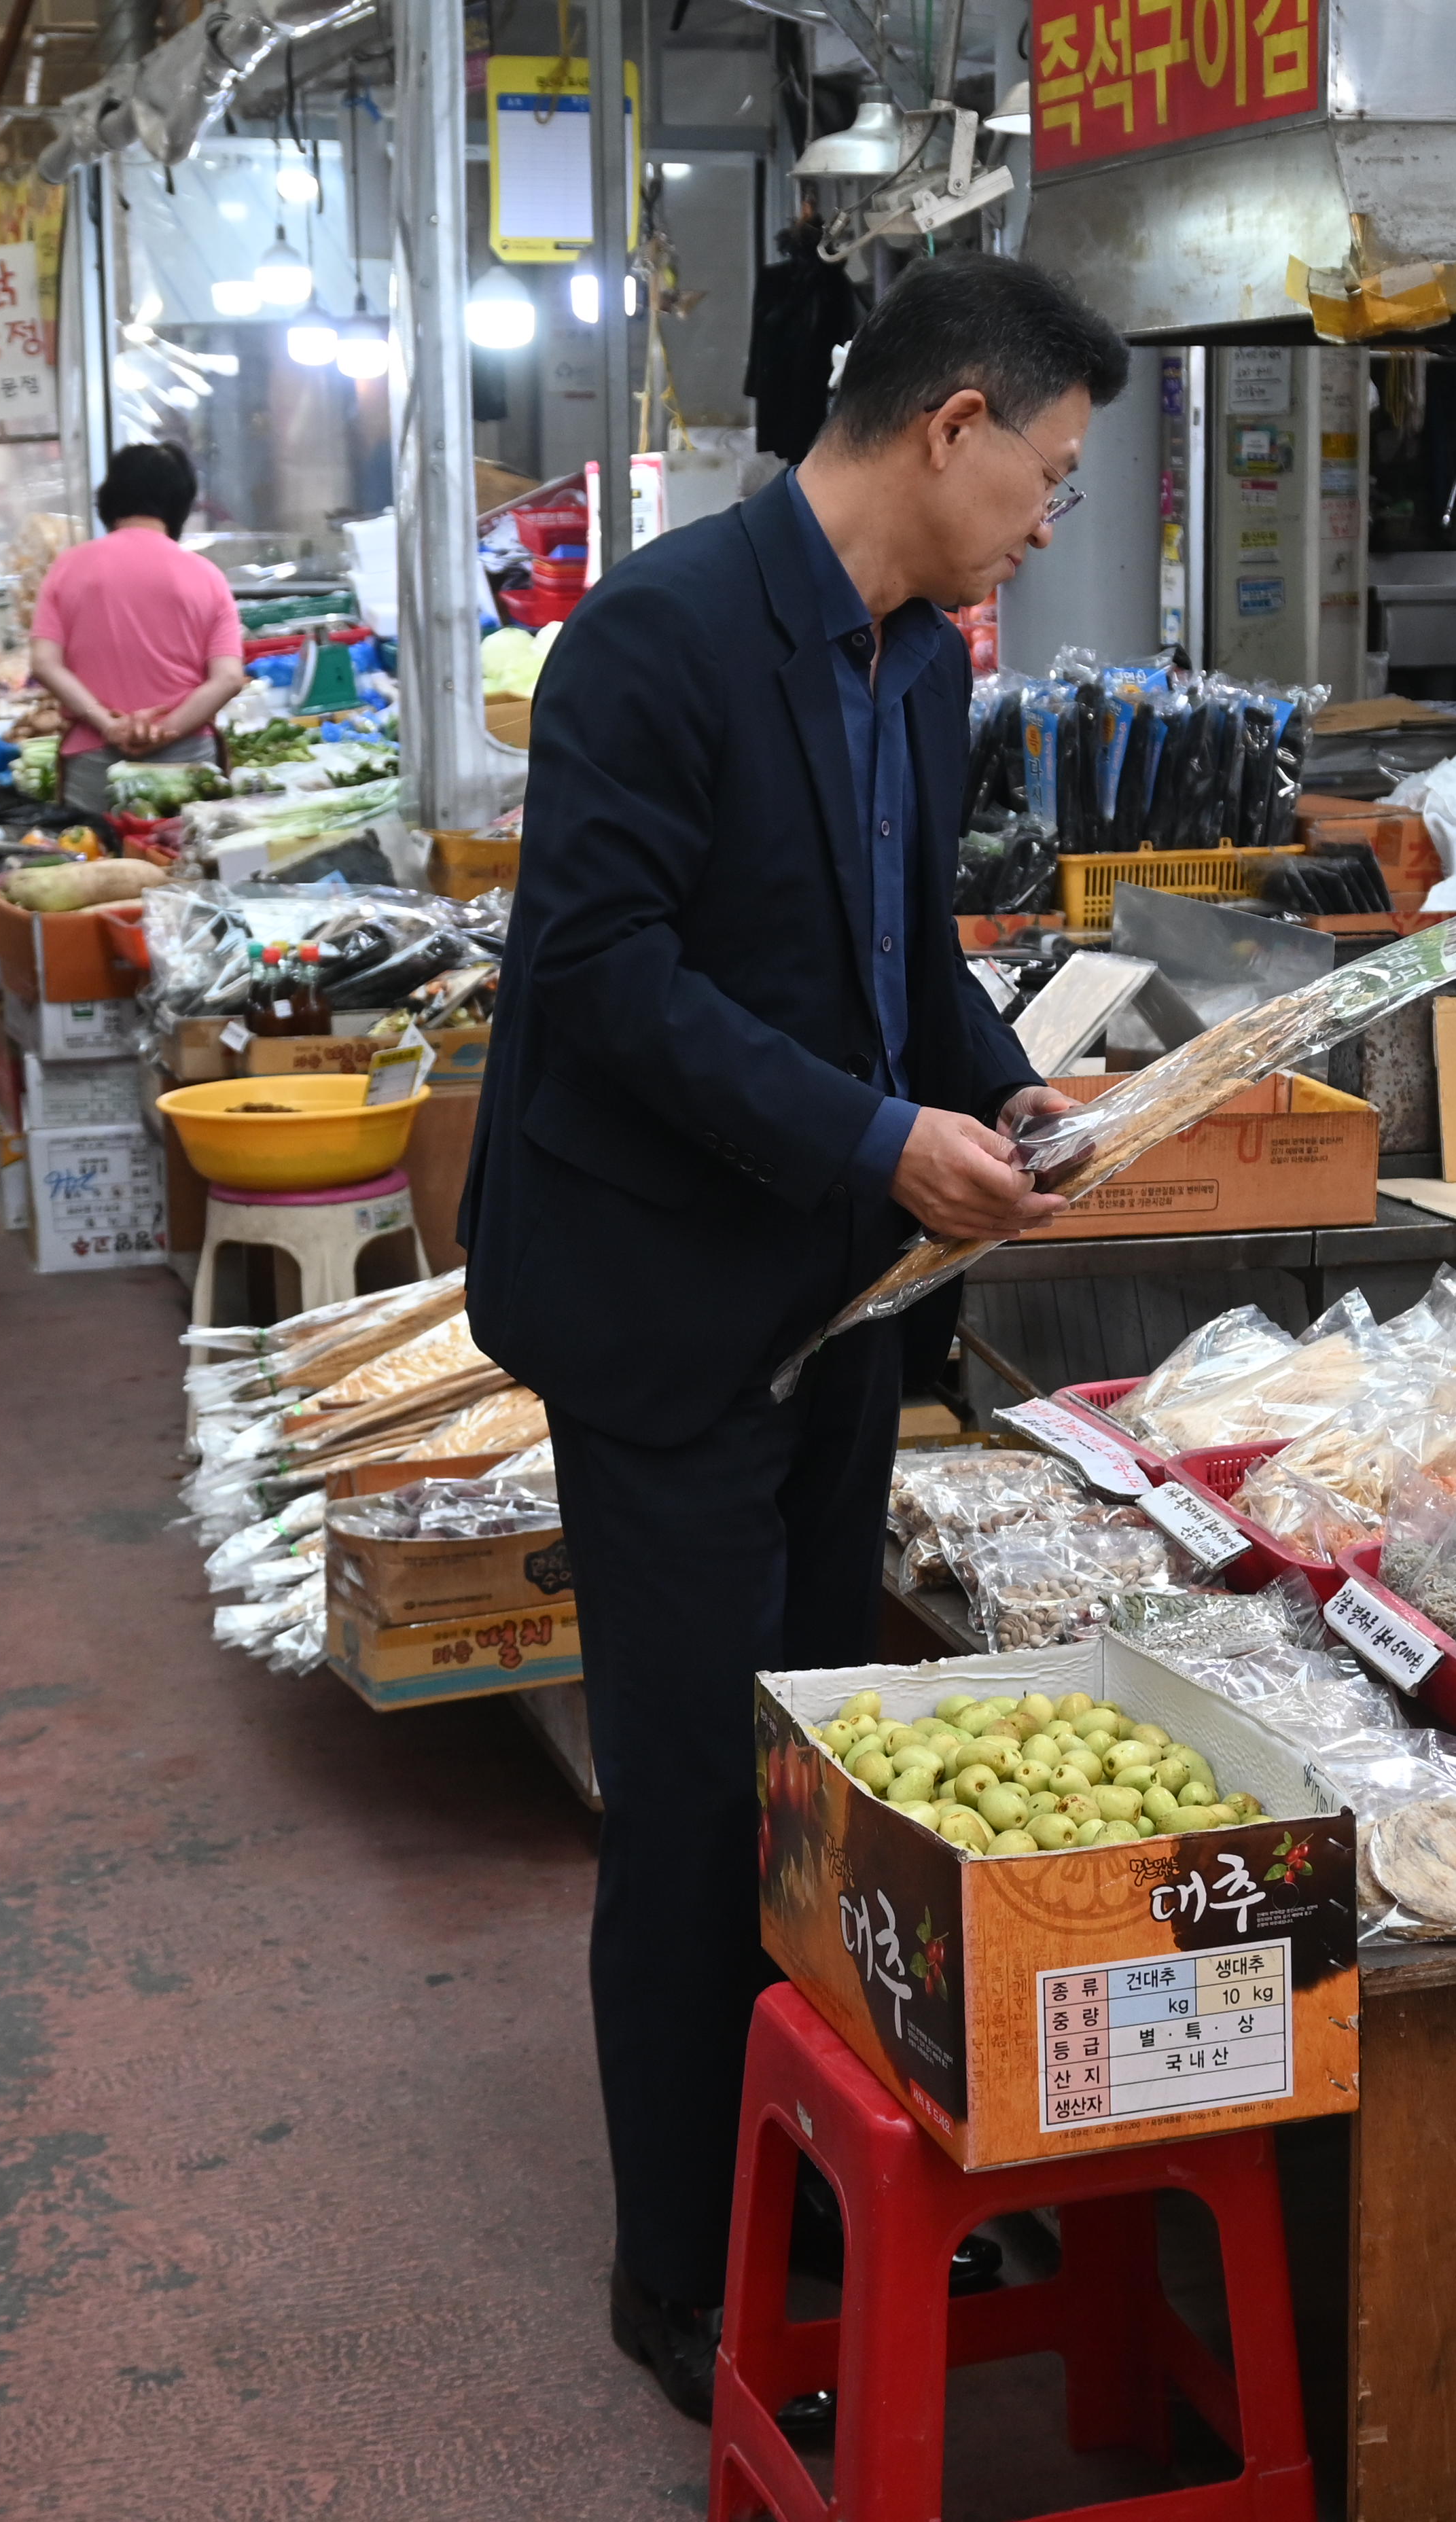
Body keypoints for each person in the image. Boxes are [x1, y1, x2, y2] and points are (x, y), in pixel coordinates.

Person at [460, 251, 1126, 2421]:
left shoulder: (916, 659)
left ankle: (812, 2165)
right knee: (684, 1800)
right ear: (948, 427)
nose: (1044, 517)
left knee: (824, 1779)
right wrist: (872, 1134)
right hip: (660, 1312)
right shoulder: (651, 641)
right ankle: (686, 2271)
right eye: (1040, 471)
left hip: (839, 1296)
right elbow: (611, 982)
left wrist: (1002, 1081)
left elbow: (889, 940)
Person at [27, 444, 241, 820]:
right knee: (188, 870)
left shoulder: (67, 567)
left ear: (108, 498)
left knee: (96, 869)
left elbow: (45, 663)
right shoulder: (207, 576)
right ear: (181, 504)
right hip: (189, 769)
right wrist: (165, 732)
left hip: (95, 766)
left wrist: (108, 725)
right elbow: (228, 679)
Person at [742, 212, 862, 467]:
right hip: (794, 374)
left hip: (809, 375)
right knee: (802, 442)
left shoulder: (831, 282)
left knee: (807, 440)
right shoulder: (823, 281)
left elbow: (847, 328)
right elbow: (763, 332)